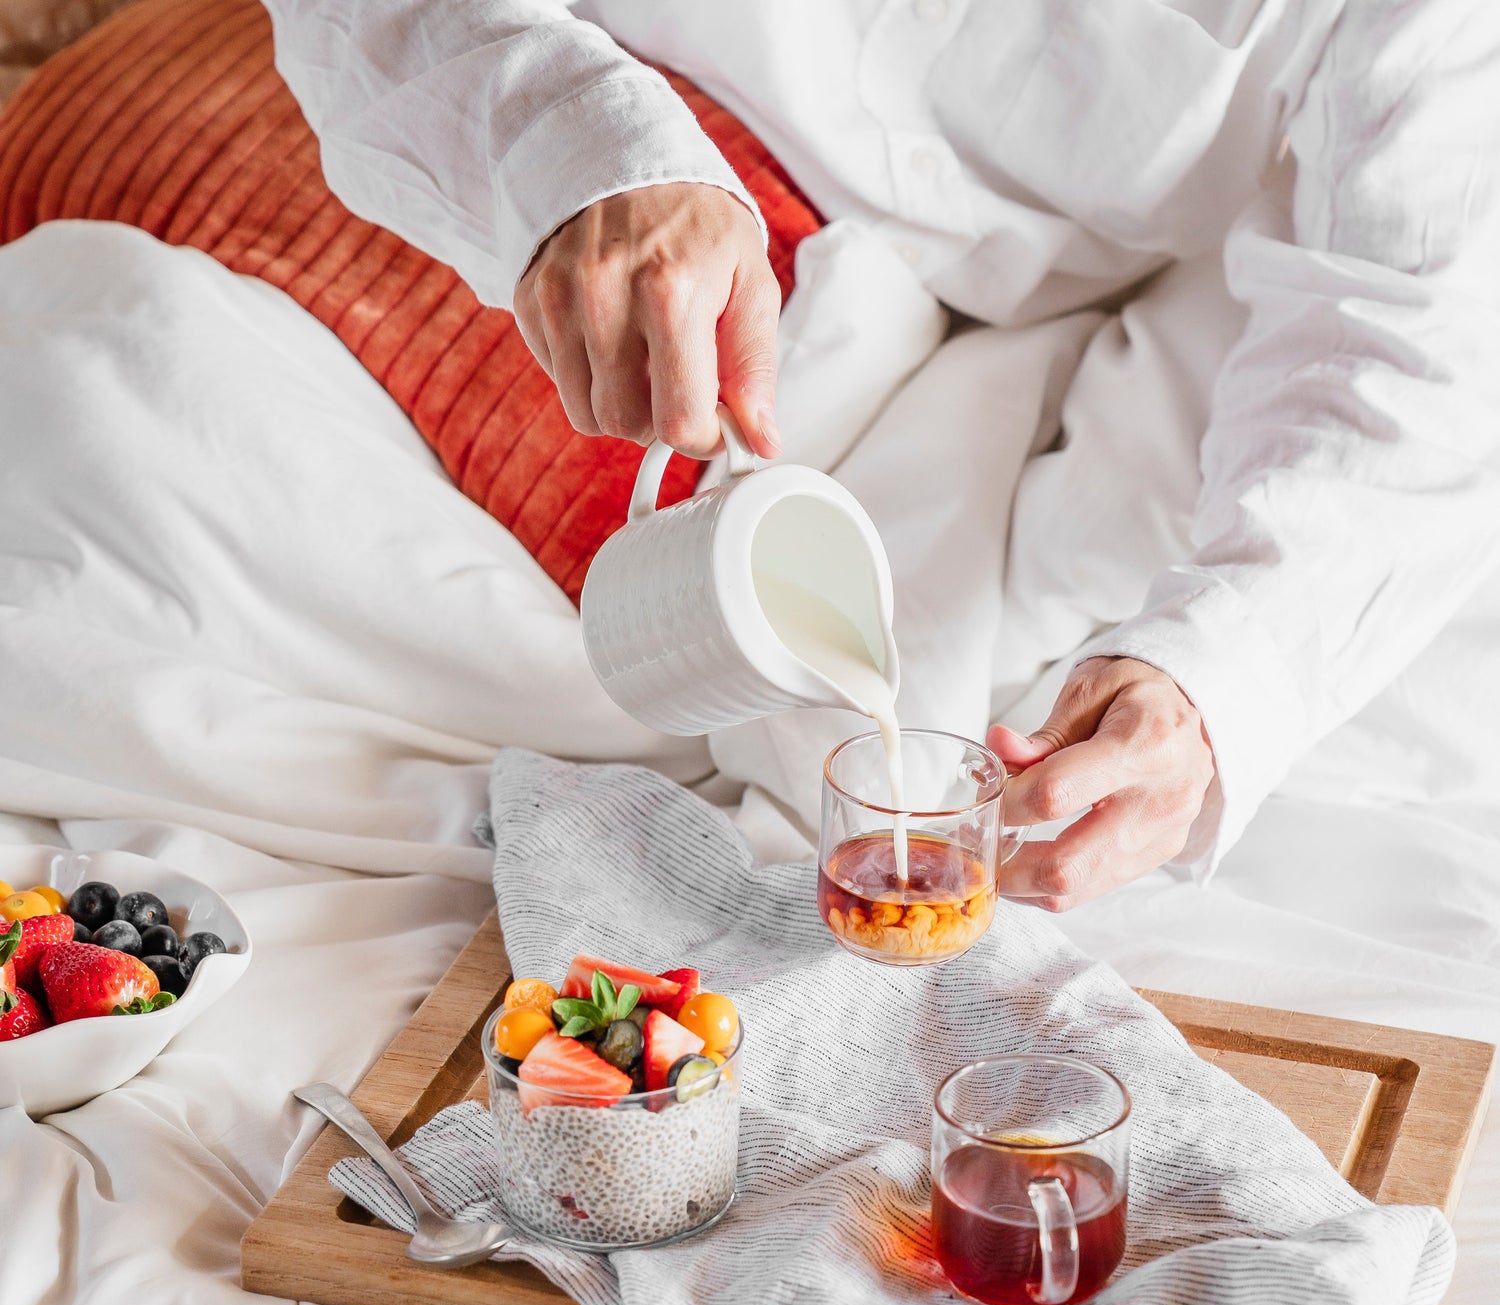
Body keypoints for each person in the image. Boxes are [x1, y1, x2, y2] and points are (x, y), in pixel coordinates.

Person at [264, 0, 1500, 907]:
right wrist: (575, 146)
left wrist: (1218, 683)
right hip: (656, 154)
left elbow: (1415, 320)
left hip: (1119, 288)